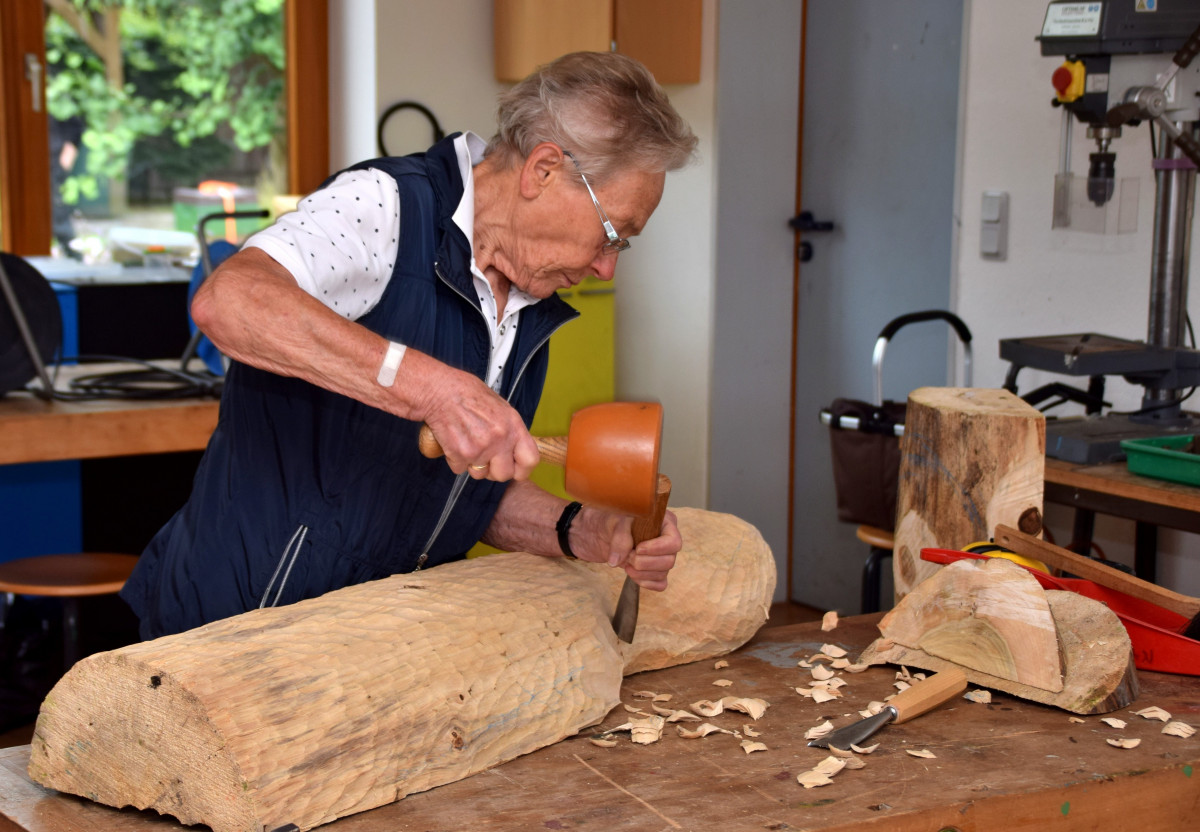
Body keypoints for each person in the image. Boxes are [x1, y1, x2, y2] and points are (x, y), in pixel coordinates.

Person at [120, 52, 698, 639]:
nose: (606, 268)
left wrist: (583, 529)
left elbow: (457, 495)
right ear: (543, 170)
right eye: (612, 235)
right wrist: (431, 388)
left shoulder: (529, 296)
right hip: (237, 624)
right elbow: (231, 301)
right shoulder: (386, 205)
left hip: (384, 645)